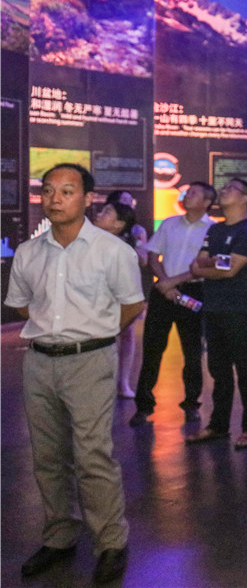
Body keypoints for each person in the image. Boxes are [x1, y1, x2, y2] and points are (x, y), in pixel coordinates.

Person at [4, 164, 145, 584]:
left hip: (90, 361)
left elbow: (132, 304)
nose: (55, 198)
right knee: (47, 456)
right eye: (49, 190)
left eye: (67, 191)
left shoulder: (112, 251)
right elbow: (21, 304)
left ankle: (111, 542)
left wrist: (93, 333)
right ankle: (60, 536)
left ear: (87, 198)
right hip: (39, 361)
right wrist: (54, 325)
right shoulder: (29, 252)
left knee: (91, 455)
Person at [185, 178, 247, 449]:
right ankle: (218, 425)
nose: (224, 191)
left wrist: (212, 264)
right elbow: (196, 265)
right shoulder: (215, 230)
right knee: (218, 370)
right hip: (214, 308)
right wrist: (216, 263)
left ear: (245, 198)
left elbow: (230, 270)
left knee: (245, 369)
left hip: (239, 309)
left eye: (231, 188)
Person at [131, 181, 215, 426]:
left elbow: (207, 266)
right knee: (152, 350)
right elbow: (153, 256)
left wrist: (172, 284)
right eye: (187, 192)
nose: (187, 195)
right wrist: (166, 284)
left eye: (194, 193)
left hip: (194, 292)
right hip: (162, 292)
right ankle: (143, 406)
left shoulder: (213, 230)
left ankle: (191, 404)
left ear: (206, 202)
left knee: (192, 351)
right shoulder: (169, 223)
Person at [105, 190, 148, 399]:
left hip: (127, 287)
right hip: (103, 288)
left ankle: (123, 382)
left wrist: (129, 244)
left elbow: (144, 260)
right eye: (123, 201)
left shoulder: (137, 231)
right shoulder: (99, 229)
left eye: (130, 201)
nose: (128, 204)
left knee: (128, 334)